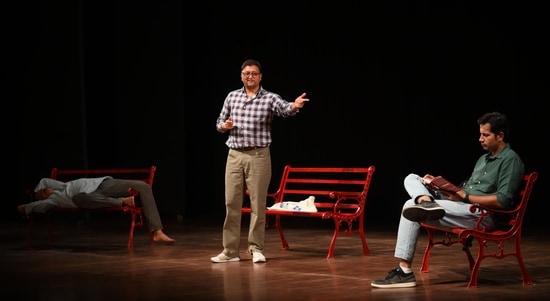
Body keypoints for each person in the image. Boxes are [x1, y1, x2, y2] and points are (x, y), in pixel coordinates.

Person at [371, 112, 525, 288]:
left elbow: (503, 201)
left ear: (500, 136)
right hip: (462, 205)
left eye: (485, 135)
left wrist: (465, 197)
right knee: (412, 177)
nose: (480, 139)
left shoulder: (511, 160)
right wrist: (441, 187)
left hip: (481, 215)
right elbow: (465, 191)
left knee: (409, 205)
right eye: (480, 134)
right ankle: (426, 200)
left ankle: (404, 271)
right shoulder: (483, 159)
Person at [210, 58, 309, 264]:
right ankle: (230, 251)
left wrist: (294, 105)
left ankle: (256, 248)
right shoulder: (232, 96)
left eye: (254, 73)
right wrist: (224, 126)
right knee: (231, 203)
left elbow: (284, 108)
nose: (250, 77)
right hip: (235, 155)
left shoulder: (269, 98)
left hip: (258, 155)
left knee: (258, 203)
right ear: (241, 76)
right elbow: (219, 122)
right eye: (246, 73)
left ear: (260, 76)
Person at [17, 176, 176, 243]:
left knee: (144, 186)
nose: (45, 191)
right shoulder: (53, 200)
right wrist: (28, 206)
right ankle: (123, 202)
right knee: (78, 198)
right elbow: (34, 207)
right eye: (42, 194)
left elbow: (44, 180)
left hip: (104, 184)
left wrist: (35, 192)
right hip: (89, 199)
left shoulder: (60, 185)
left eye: (43, 190)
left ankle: (157, 232)